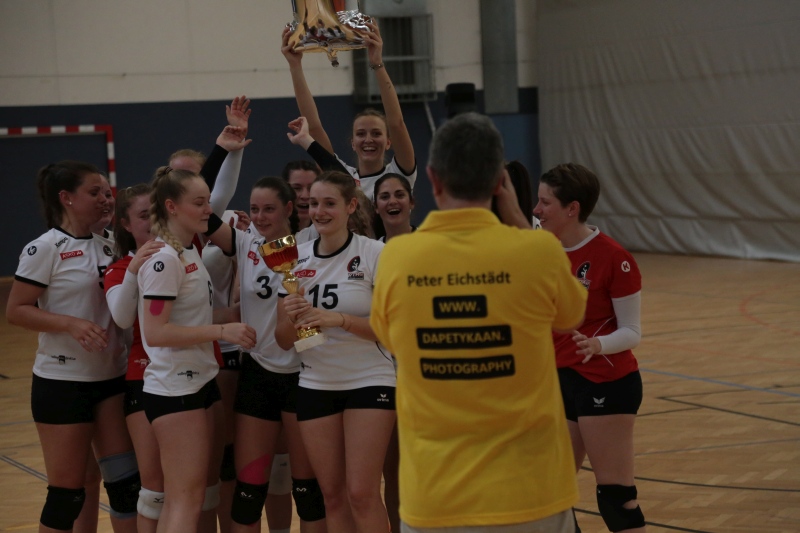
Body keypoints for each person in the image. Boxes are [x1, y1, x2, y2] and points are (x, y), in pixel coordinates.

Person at [370, 113, 588, 533]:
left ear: (432, 179)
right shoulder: (538, 251)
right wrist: (521, 220)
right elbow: (573, 313)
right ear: (498, 182)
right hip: (532, 495)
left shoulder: (397, 258)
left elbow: (389, 338)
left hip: (435, 499)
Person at [6, 161, 139, 533]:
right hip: (62, 383)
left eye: (107, 192)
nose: (105, 199)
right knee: (69, 493)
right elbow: (16, 310)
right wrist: (70, 324)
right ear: (66, 198)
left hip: (111, 379)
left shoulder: (111, 245)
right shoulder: (45, 248)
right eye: (94, 193)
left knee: (125, 486)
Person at [203, 177, 327, 533]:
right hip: (258, 373)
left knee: (307, 490)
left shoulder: (309, 244)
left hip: (305, 374)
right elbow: (203, 208)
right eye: (254, 209)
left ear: (289, 208)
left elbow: (346, 185)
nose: (259, 217)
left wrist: (310, 147)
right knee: (249, 491)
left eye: (269, 209)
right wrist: (225, 152)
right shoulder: (246, 242)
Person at [138, 166, 257, 533]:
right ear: (171, 206)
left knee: (194, 496)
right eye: (199, 203)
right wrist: (221, 330)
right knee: (184, 500)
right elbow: (156, 332)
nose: (209, 210)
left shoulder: (188, 251)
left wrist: (238, 314)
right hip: (175, 388)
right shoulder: (164, 260)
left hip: (199, 381)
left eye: (208, 201)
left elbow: (191, 317)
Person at [275, 171, 395, 533]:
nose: (319, 211)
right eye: (314, 203)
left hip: (369, 379)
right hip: (316, 382)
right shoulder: (291, 257)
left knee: (362, 493)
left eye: (329, 203)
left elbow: (393, 332)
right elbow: (283, 340)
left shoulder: (375, 253)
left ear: (351, 206)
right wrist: (292, 315)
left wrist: (339, 319)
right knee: (333, 496)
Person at [534, 163, 647, 533]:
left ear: (572, 209)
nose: (536, 209)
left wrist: (598, 344)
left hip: (605, 382)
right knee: (548, 496)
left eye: (545, 202)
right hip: (559, 381)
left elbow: (631, 332)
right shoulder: (543, 252)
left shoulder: (613, 257)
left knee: (616, 499)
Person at [281, 20, 417, 200]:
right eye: (361, 134)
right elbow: (313, 127)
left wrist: (377, 63)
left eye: (376, 133)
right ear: (353, 143)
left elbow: (396, 123)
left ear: (388, 142)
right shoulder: (342, 176)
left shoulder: (399, 174)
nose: (368, 139)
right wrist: (295, 66)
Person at [104, 183, 167, 533]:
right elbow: (122, 318)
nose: (153, 222)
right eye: (144, 216)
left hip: (193, 378)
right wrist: (134, 270)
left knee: (196, 487)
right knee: (155, 489)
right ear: (126, 224)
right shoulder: (120, 269)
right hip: (144, 380)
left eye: (156, 213)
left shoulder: (185, 255)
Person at [372, 173, 415, 243]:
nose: (392, 201)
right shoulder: (372, 249)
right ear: (376, 207)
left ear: (411, 202)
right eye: (385, 197)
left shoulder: (430, 241)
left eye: (399, 195)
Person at [282, 160, 320, 231]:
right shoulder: (264, 231)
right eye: (297, 188)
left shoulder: (328, 231)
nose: (305, 196)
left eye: (311, 188)